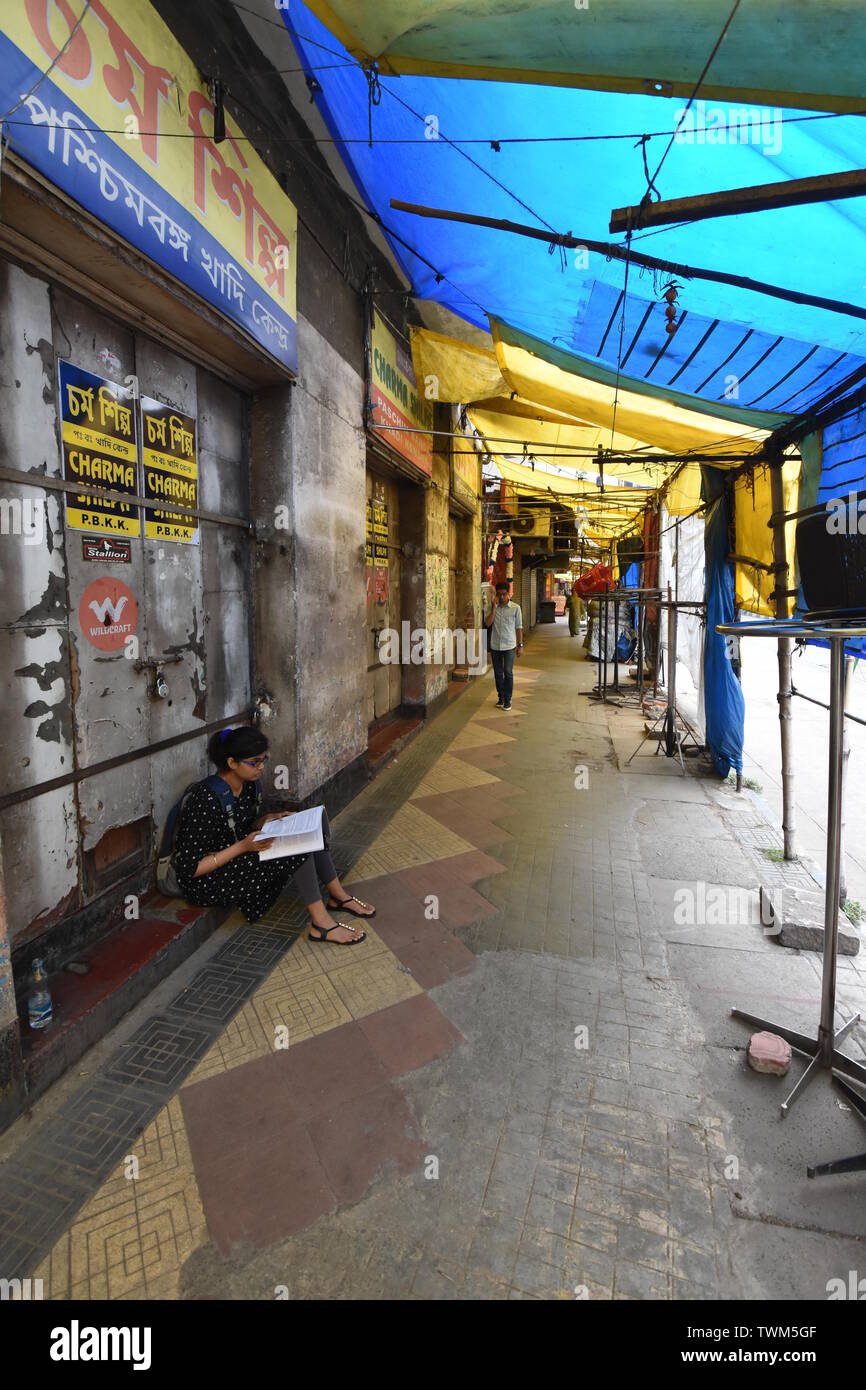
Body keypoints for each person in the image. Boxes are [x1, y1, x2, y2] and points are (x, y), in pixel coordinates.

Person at [171, 726, 374, 945]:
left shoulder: (249, 786)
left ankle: (338, 897)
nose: (261, 767)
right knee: (297, 848)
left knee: (308, 832)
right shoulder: (205, 799)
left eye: (263, 760)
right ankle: (321, 924)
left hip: (237, 855)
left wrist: (265, 820)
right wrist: (242, 847)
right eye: (254, 762)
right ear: (231, 763)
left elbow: (243, 826)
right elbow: (189, 869)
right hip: (206, 880)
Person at [484, 580, 523, 709]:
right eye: (499, 594)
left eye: (504, 594)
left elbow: (519, 628)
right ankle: (501, 697)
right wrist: (494, 608)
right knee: (498, 673)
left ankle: (508, 699)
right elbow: (488, 623)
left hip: (509, 646)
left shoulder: (516, 608)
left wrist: (520, 645)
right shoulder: (492, 607)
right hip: (495, 646)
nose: (501, 597)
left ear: (508, 594)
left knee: (508, 672)